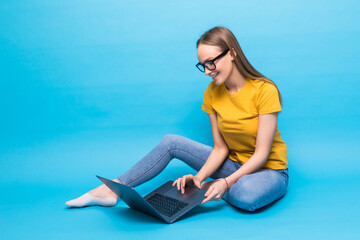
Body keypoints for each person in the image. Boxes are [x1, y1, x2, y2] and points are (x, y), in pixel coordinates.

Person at [66, 26, 288, 212]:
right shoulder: (212, 92)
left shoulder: (264, 90)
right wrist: (199, 178)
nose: (207, 71)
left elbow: (261, 154)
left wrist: (225, 182)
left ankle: (218, 188)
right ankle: (110, 190)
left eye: (211, 62)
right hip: (235, 165)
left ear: (231, 53)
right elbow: (220, 149)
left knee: (246, 194)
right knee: (171, 141)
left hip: (269, 171)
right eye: (202, 65)